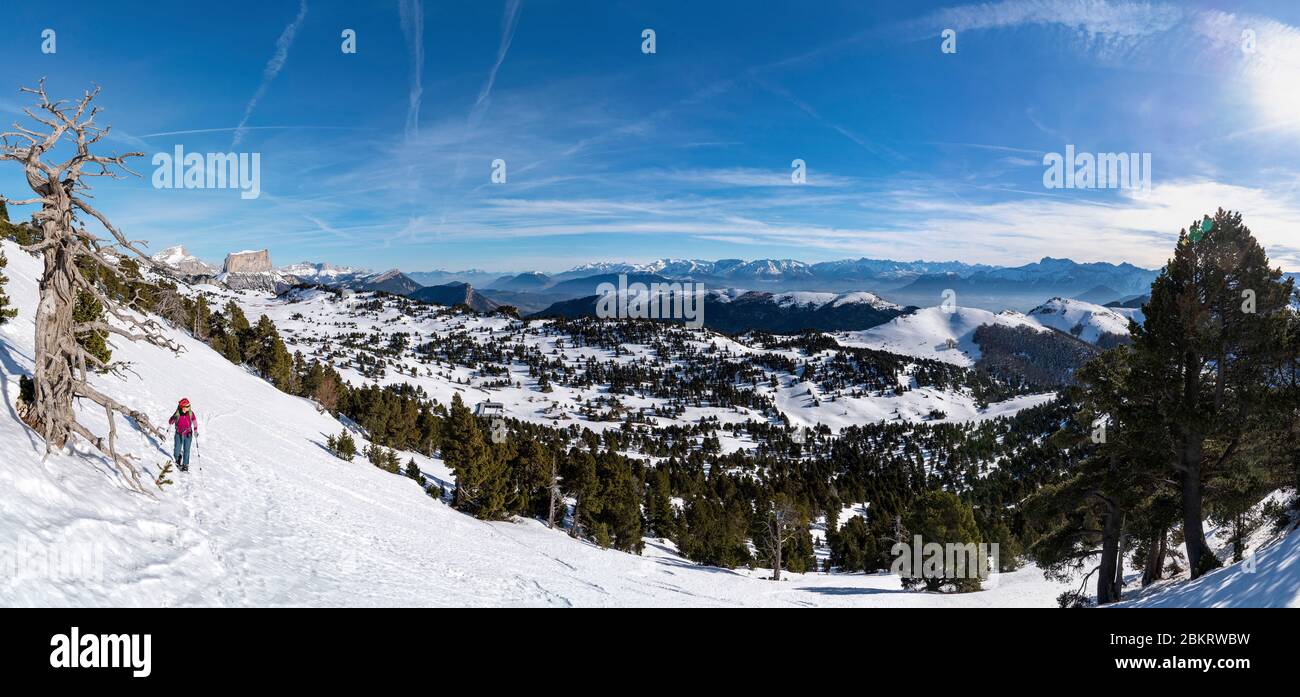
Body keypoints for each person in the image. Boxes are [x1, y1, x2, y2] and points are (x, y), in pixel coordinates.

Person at [168, 398, 198, 472]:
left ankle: (185, 465)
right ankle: (178, 457)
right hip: (178, 434)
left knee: (186, 450)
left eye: (189, 406)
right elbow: (170, 422)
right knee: (176, 450)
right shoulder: (177, 413)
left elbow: (194, 422)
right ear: (182, 407)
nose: (188, 408)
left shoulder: (191, 413)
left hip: (188, 434)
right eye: (187, 406)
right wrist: (173, 418)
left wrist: (196, 431)